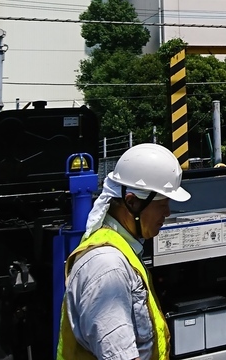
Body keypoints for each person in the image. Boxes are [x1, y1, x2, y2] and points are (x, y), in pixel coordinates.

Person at [58, 143, 191, 360]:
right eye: (162, 203)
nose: (167, 212)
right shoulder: (107, 266)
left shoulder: (121, 250)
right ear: (132, 202)